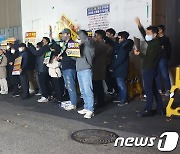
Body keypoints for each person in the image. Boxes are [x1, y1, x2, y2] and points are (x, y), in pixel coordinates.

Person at [134, 17, 164, 117]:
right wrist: (139, 25)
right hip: (153, 69)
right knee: (154, 89)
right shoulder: (153, 42)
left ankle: (147, 109)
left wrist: (139, 54)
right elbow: (144, 35)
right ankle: (160, 109)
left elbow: (149, 59)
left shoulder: (155, 45)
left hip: (149, 69)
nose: (146, 35)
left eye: (148, 33)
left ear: (154, 34)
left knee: (149, 90)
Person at [73, 30, 95, 118]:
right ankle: (86, 107)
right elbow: (76, 58)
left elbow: (86, 39)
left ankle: (90, 110)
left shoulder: (90, 45)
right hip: (79, 70)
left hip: (86, 70)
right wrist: (72, 52)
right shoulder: (81, 46)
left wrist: (78, 31)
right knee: (83, 91)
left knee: (88, 90)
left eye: (79, 38)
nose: (78, 39)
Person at [29, 37, 52, 103]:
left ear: (47, 42)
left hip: (42, 68)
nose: (42, 41)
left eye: (44, 40)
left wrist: (31, 47)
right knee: (46, 82)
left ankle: (45, 96)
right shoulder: (46, 48)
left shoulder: (45, 48)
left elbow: (36, 53)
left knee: (42, 82)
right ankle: (49, 95)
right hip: (44, 67)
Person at [59, 28, 77, 109]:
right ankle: (72, 101)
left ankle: (73, 103)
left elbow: (74, 57)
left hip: (70, 67)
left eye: (64, 34)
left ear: (69, 35)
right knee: (68, 85)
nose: (62, 35)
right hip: (65, 67)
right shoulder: (65, 44)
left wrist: (63, 58)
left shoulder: (72, 43)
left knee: (71, 85)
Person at [93, 30, 107, 109]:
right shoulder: (99, 44)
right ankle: (99, 101)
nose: (95, 37)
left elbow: (94, 54)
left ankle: (101, 102)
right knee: (97, 85)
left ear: (99, 36)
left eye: (96, 35)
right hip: (97, 67)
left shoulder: (101, 45)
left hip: (99, 68)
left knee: (98, 86)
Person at [155, 25, 172, 96]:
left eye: (158, 29)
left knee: (164, 74)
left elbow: (167, 49)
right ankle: (159, 89)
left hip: (163, 58)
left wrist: (167, 58)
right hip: (156, 58)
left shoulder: (165, 39)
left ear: (161, 30)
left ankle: (168, 89)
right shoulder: (156, 39)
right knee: (157, 74)